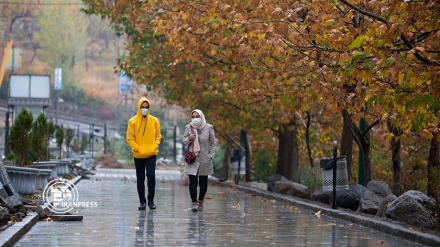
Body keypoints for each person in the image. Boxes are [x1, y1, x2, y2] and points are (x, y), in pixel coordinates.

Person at [126, 97, 162, 210]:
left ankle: (151, 200)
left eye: (146, 107)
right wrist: (136, 148)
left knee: (151, 176)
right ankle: (142, 202)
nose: (144, 109)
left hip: (151, 153)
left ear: (149, 108)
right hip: (138, 154)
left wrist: (155, 146)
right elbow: (129, 138)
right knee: (140, 178)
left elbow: (158, 136)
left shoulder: (154, 121)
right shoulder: (132, 121)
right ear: (139, 107)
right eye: (142, 107)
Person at [182, 109, 216, 212]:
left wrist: (210, 155)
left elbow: (213, 142)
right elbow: (184, 141)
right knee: (193, 181)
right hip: (193, 158)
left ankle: (200, 200)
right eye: (194, 116)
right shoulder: (189, 127)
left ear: (202, 117)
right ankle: (194, 203)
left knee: (203, 182)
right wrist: (190, 139)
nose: (195, 119)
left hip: (205, 159)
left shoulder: (209, 127)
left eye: (198, 116)